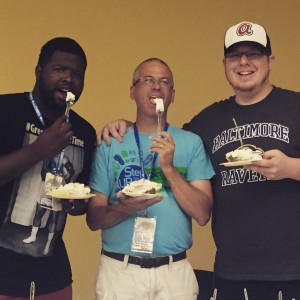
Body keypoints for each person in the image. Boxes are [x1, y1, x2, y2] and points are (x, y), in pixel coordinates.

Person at [99, 22, 300, 300]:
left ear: (270, 61)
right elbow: (161, 131)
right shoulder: (207, 122)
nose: (244, 62)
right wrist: (125, 125)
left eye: (253, 53)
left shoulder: (295, 106)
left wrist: (292, 167)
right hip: (232, 270)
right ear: (225, 63)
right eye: (235, 55)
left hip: (292, 270)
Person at [87, 57, 214, 300]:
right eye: (147, 80)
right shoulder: (110, 142)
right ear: (133, 92)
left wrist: (169, 168)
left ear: (172, 94)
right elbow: (93, 218)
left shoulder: (190, 142)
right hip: (119, 272)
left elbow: (202, 214)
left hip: (174, 273)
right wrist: (125, 208)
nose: (156, 86)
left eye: (164, 81)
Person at [0, 37, 96, 299]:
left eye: (77, 73)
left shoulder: (85, 132)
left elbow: (83, 196)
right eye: (59, 69)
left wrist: (78, 205)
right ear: (39, 71)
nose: (68, 78)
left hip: (52, 278)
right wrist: (37, 151)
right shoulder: (6, 109)